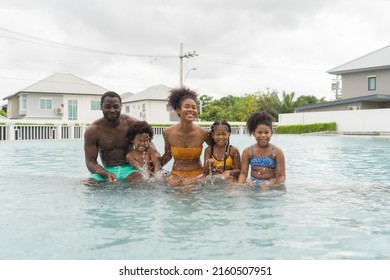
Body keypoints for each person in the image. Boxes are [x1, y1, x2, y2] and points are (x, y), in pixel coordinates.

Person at [84, 91, 147, 184]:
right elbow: (90, 162)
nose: (112, 110)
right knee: (89, 184)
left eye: (116, 106)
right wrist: (107, 173)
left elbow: (148, 142)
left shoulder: (131, 123)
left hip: (129, 169)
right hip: (105, 170)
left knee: (139, 182)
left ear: (121, 106)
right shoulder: (93, 131)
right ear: (101, 106)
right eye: (107, 106)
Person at [160, 87, 211, 186]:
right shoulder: (168, 133)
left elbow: (217, 150)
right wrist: (151, 169)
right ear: (178, 110)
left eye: (194, 107)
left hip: (197, 175)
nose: (191, 110)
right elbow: (167, 155)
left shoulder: (204, 133)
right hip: (175, 174)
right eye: (187, 106)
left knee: (187, 190)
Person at [238, 111, 286, 186]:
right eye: (259, 132)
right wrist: (240, 186)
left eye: (266, 132)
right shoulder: (248, 151)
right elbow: (243, 174)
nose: (263, 135)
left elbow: (281, 177)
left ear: (271, 133)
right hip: (253, 182)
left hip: (271, 183)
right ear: (254, 133)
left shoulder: (277, 152)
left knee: (264, 188)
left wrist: (272, 185)